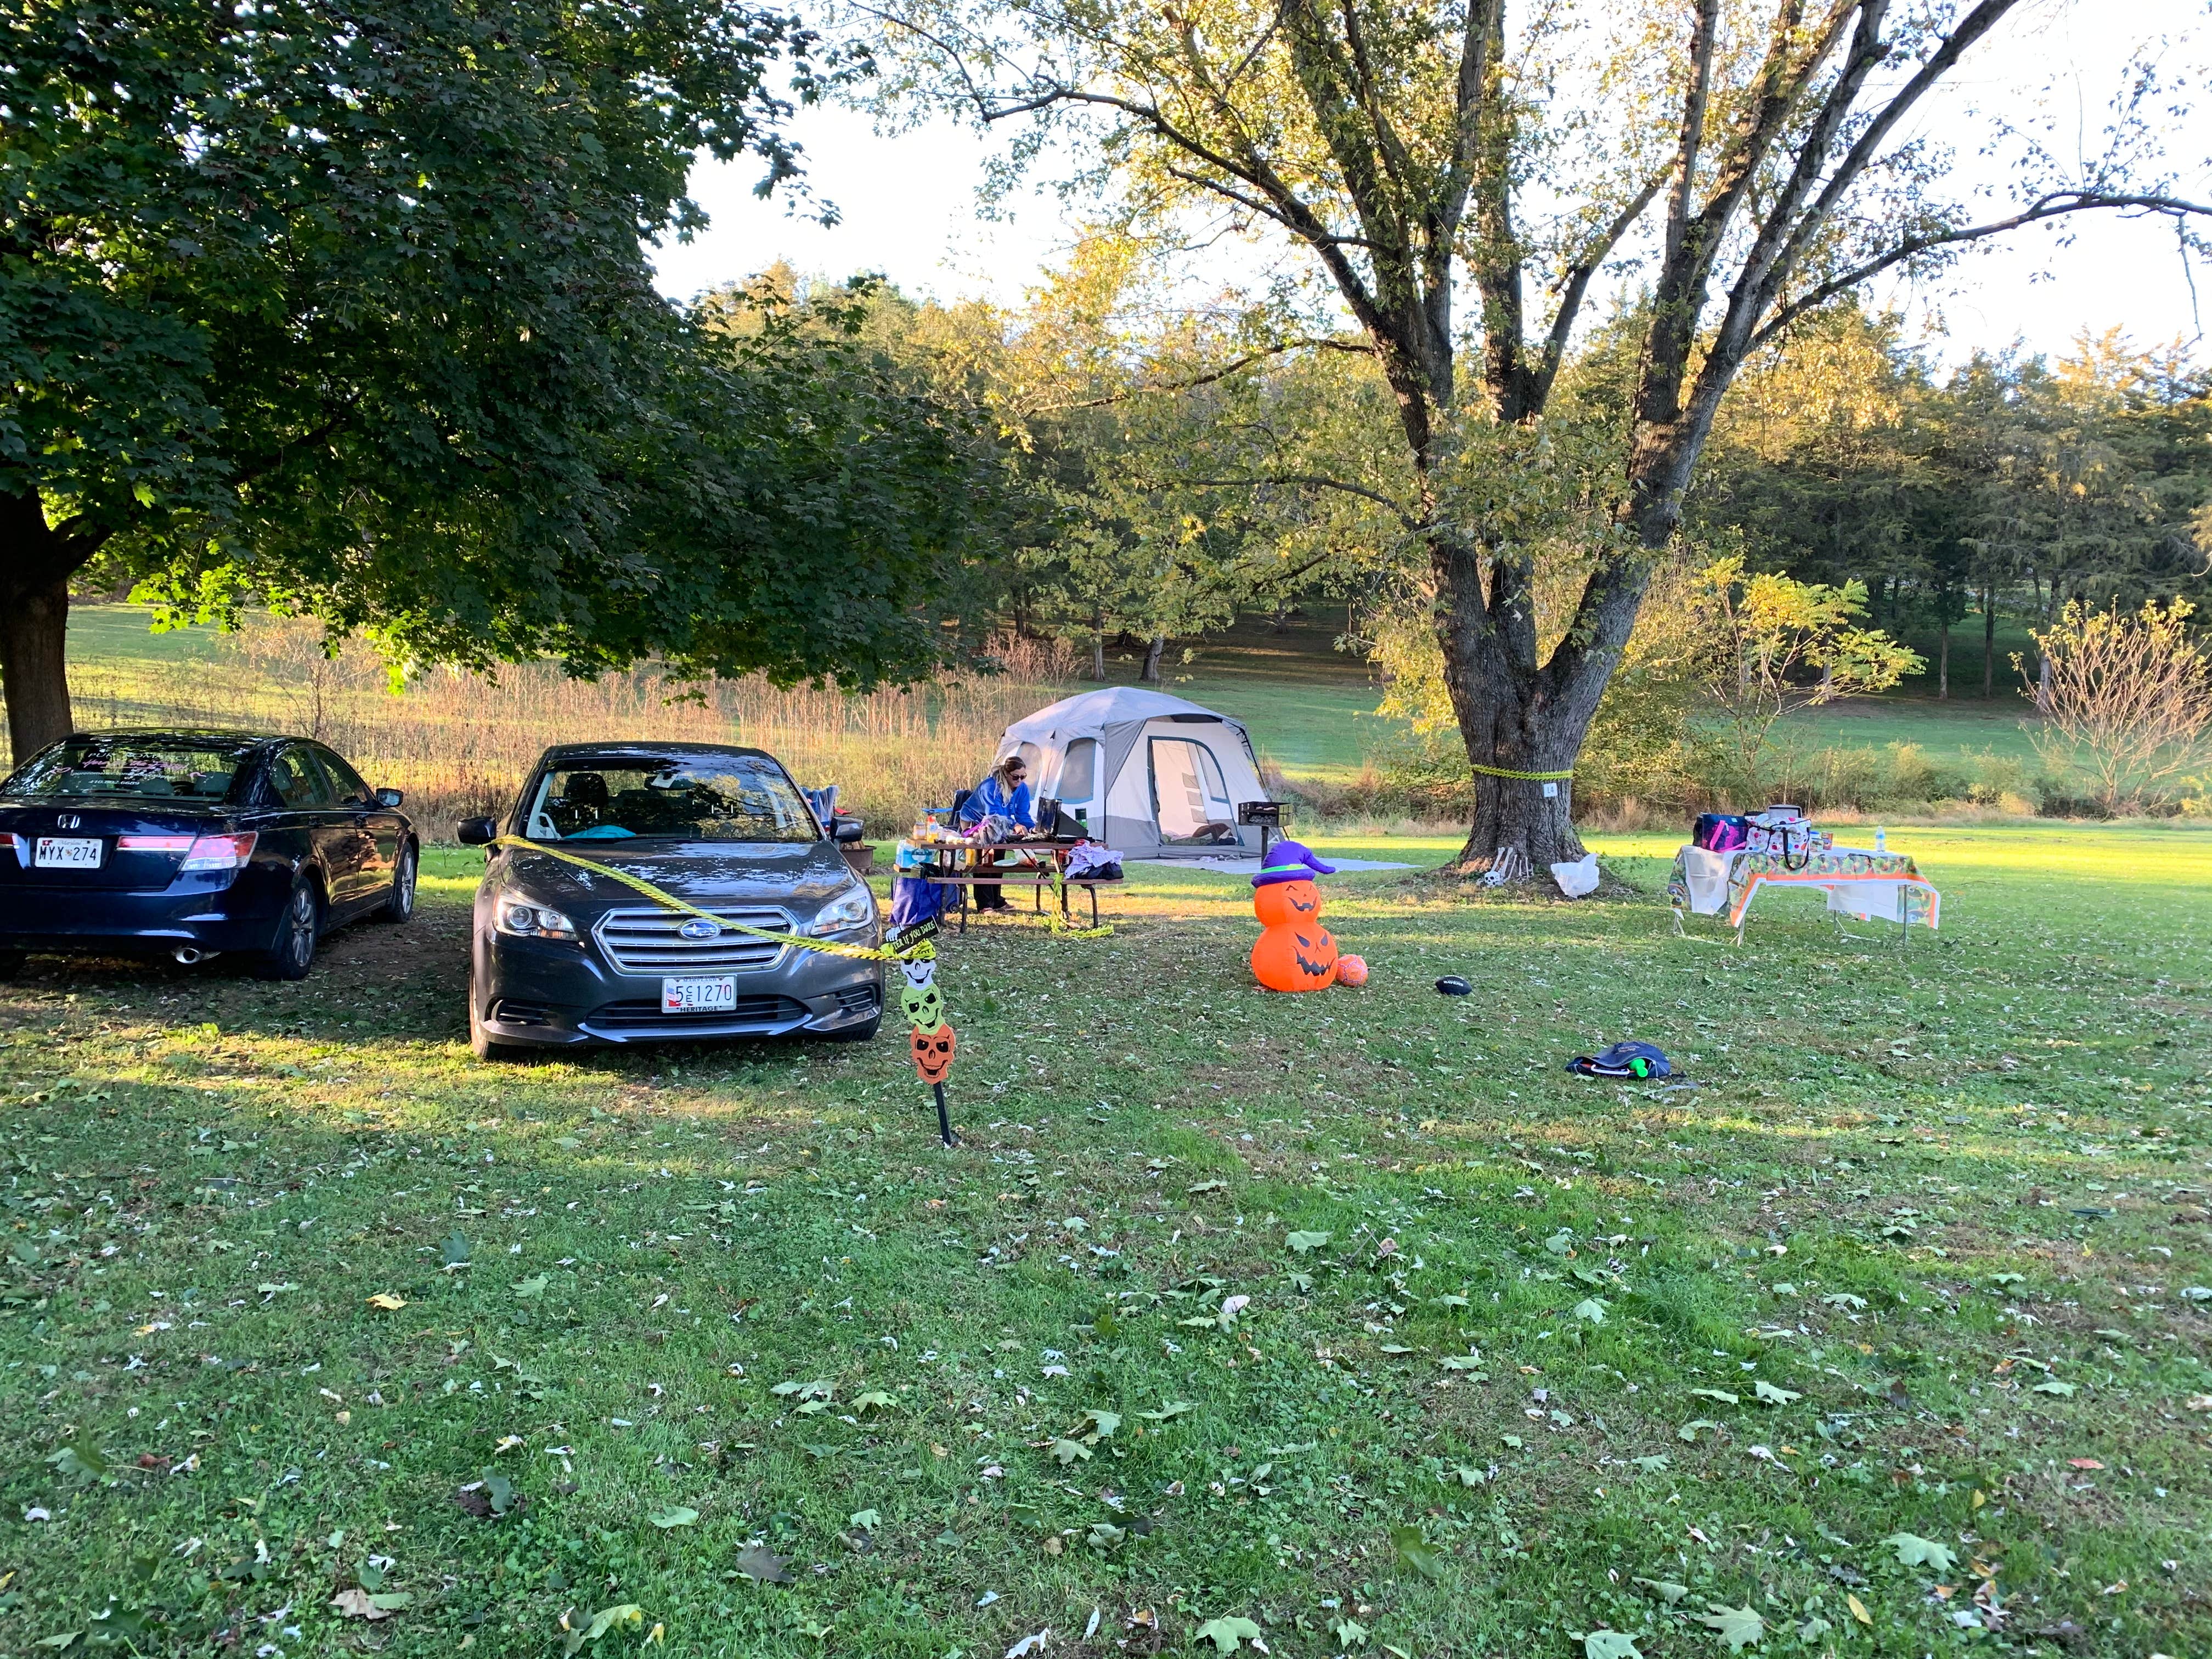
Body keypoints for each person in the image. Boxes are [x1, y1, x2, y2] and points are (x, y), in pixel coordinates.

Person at [957, 755, 1034, 911]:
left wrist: (1032, 828)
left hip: (1000, 825)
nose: (1019, 780)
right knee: (984, 861)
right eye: (1016, 777)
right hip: (976, 823)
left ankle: (996, 900)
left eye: (1023, 777)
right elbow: (993, 814)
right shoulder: (990, 787)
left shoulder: (1023, 788)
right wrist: (1015, 825)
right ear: (1006, 774)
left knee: (998, 860)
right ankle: (984, 904)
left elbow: (1023, 814)